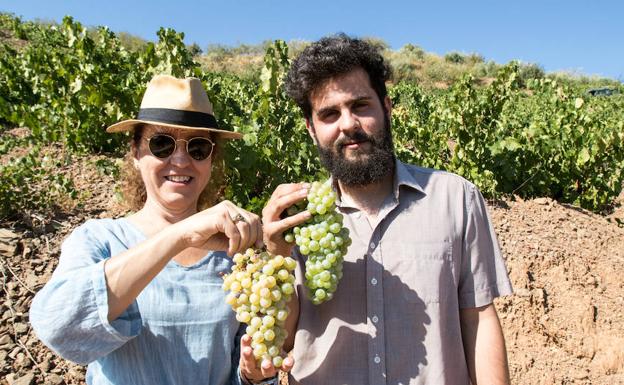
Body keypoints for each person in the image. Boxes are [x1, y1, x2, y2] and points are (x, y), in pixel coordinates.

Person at [261, 35, 513, 385]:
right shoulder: (296, 219)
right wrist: (276, 256)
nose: (347, 124)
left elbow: (479, 320)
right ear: (311, 129)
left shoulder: (455, 198)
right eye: (329, 114)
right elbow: (282, 341)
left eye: (360, 105)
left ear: (387, 107)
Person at [30, 74, 291, 385]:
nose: (180, 159)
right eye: (162, 144)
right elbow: (58, 326)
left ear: (211, 160)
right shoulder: (100, 240)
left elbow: (239, 372)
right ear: (136, 153)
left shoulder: (236, 258)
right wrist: (179, 235)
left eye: (197, 148)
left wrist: (252, 377)